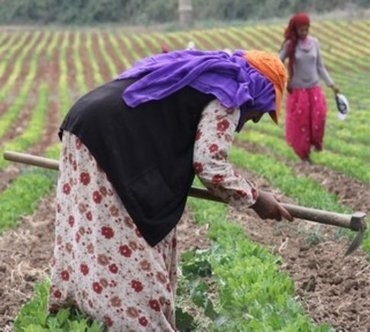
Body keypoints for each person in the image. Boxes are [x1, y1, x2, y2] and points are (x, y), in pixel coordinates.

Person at [48, 49, 293, 331]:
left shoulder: (205, 77)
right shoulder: (231, 93)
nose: (257, 119)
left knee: (88, 235)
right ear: (258, 93)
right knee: (129, 251)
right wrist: (256, 199)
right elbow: (210, 166)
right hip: (107, 138)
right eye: (262, 110)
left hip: (85, 124)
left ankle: (78, 317)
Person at [278, 12, 339, 165]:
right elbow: (278, 62)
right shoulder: (290, 45)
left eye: (306, 29)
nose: (304, 33)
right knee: (301, 124)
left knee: (319, 118)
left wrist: (331, 84)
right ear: (295, 30)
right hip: (299, 91)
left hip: (314, 89)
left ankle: (315, 145)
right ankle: (304, 155)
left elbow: (320, 67)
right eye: (301, 30)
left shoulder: (315, 43)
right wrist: (286, 79)